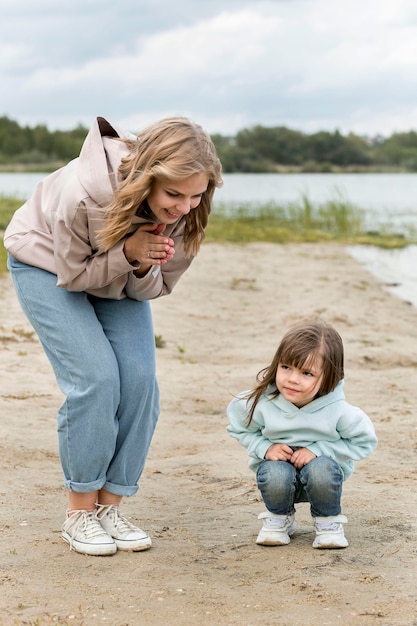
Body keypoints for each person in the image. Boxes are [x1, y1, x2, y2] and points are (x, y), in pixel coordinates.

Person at [4, 115, 222, 556]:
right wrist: (128, 251)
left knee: (140, 382)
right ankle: (79, 513)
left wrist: (141, 263)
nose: (184, 205)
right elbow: (76, 276)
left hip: (115, 273)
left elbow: (156, 287)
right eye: (174, 194)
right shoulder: (82, 194)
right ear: (147, 178)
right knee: (96, 380)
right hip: (47, 266)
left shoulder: (186, 211)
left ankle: (110, 506)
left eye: (196, 195)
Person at [227, 320, 377, 549]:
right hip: (278, 472)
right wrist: (264, 447)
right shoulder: (262, 403)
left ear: (329, 377)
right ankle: (280, 518)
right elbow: (239, 427)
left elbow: (365, 441)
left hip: (323, 477)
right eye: (286, 367)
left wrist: (320, 450)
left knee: (322, 469)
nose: (293, 379)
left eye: (307, 373)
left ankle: (328, 522)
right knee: (274, 472)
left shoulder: (338, 410)